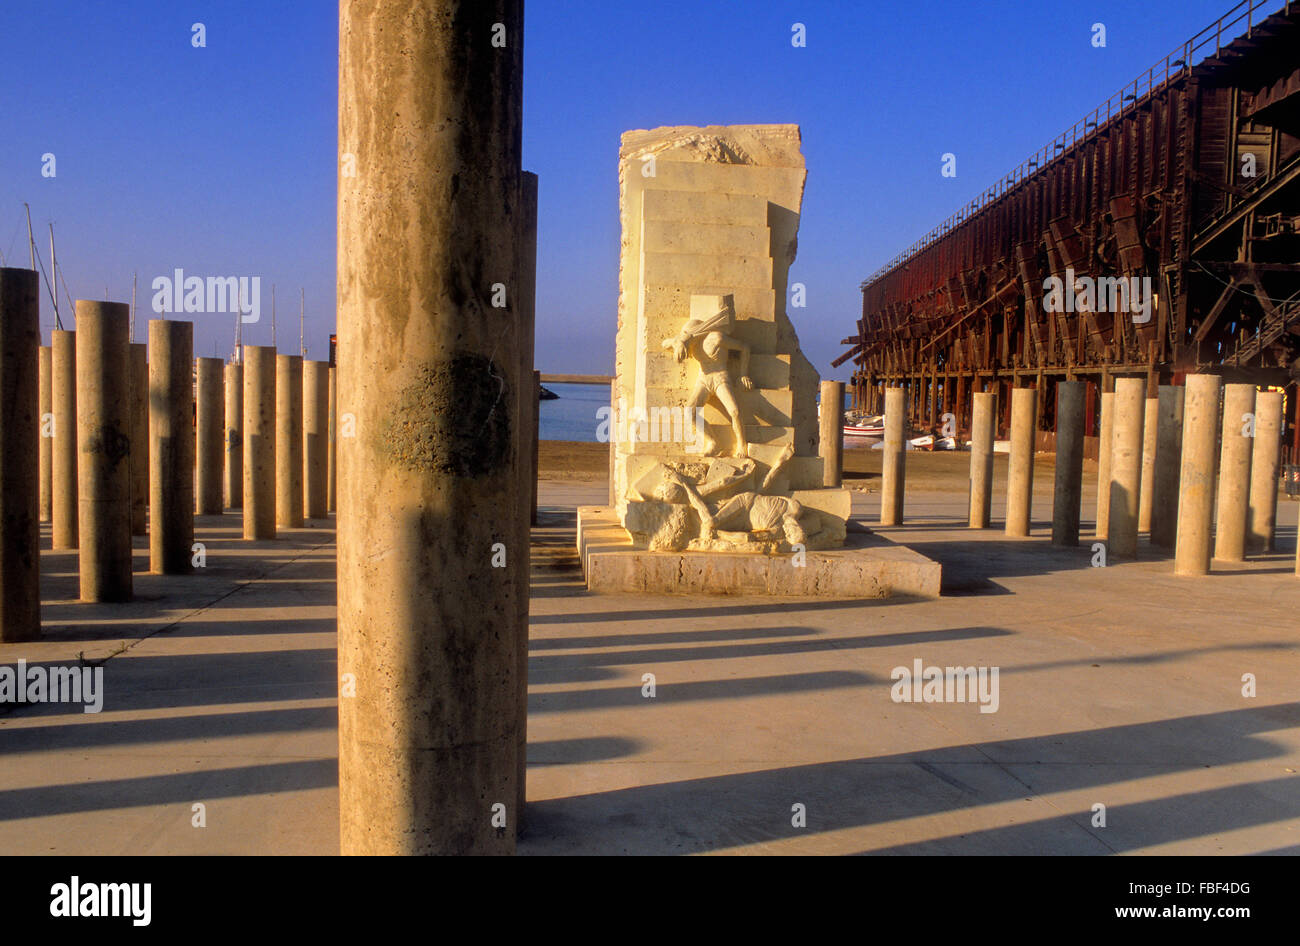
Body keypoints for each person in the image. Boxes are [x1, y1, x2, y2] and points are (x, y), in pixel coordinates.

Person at [662, 298, 753, 458]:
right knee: (689, 411)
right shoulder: (691, 344)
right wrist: (678, 342)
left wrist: (743, 374)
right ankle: (713, 442)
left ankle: (741, 444)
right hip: (703, 379)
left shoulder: (716, 338)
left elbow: (745, 348)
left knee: (735, 411)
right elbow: (664, 344)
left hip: (720, 377)